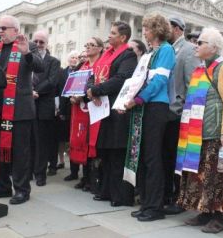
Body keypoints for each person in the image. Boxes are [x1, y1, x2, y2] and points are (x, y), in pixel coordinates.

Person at [177, 28, 223, 234]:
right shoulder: (201, 69)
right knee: (199, 173)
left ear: (212, 47)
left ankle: (218, 217)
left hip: (215, 132)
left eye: (201, 42)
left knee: (216, 175)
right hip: (198, 132)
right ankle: (204, 211)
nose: (196, 45)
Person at [0, 15, 43, 205]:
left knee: (19, 153)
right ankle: (2, 186)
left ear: (15, 30)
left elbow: (40, 67)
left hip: (19, 110)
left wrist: (27, 54)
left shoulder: (27, 45)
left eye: (4, 28)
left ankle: (22, 190)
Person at [124, 13, 175, 222]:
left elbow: (160, 81)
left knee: (153, 157)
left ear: (156, 30)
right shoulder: (149, 54)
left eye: (146, 28)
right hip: (143, 106)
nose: (144, 32)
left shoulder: (166, 50)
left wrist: (138, 99)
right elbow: (136, 81)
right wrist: (125, 100)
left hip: (156, 106)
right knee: (143, 156)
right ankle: (146, 202)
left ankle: (155, 206)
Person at [87, 21, 137, 207]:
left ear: (123, 37)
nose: (109, 36)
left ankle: (120, 195)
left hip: (118, 110)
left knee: (117, 154)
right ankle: (106, 190)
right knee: (106, 153)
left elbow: (121, 79)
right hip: (103, 111)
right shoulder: (106, 55)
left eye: (113, 33)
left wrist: (97, 89)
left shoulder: (128, 55)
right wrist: (92, 90)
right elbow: (92, 76)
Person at [163, 17, 200, 214]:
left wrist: (184, 110)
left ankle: (180, 198)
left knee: (176, 158)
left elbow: (192, 84)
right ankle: (168, 194)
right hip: (164, 113)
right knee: (167, 158)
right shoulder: (166, 49)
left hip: (178, 113)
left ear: (176, 29)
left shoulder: (188, 50)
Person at [66, 38, 104, 189]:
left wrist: (83, 95)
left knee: (92, 142)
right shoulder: (82, 65)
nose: (88, 47)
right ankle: (85, 176)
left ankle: (93, 179)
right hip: (80, 108)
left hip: (94, 108)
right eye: (86, 45)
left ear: (100, 48)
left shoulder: (102, 65)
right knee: (81, 140)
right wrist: (72, 95)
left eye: (91, 45)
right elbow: (73, 84)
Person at [29, 30, 60, 186]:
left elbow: (52, 81)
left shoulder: (54, 61)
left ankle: (40, 173)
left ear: (47, 44)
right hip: (27, 105)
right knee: (28, 141)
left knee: (41, 142)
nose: (38, 45)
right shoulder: (26, 58)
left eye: (41, 42)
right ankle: (28, 171)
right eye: (36, 41)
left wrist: (36, 91)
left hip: (43, 106)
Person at [55, 50, 79, 176]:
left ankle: (73, 162)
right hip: (63, 108)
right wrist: (58, 108)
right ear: (68, 59)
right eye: (72, 57)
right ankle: (61, 161)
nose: (74, 59)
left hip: (75, 108)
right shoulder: (61, 73)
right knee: (61, 137)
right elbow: (58, 90)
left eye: (76, 57)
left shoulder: (81, 72)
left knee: (72, 138)